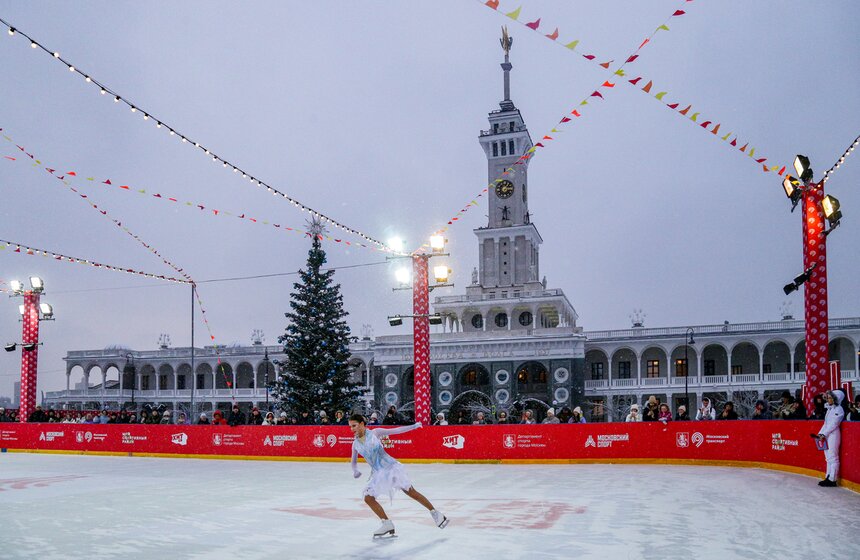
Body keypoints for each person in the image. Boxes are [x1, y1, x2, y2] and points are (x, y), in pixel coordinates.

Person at [348, 414, 448, 538]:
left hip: (391, 468)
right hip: (378, 474)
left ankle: (436, 514)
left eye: (354, 426)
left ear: (362, 424)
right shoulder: (355, 444)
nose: (352, 429)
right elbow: (353, 461)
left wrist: (413, 426)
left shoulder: (375, 433)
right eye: (350, 427)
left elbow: (395, 431)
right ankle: (387, 523)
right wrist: (355, 470)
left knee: (410, 491)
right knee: (368, 498)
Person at [816, 390, 845, 487]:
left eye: (830, 398)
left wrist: (824, 434)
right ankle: (828, 476)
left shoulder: (839, 409)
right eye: (828, 397)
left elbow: (834, 424)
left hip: (833, 435)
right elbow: (826, 423)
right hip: (827, 435)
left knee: (833, 457)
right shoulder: (829, 409)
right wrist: (820, 433)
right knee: (828, 458)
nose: (828, 399)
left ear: (835, 399)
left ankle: (833, 479)